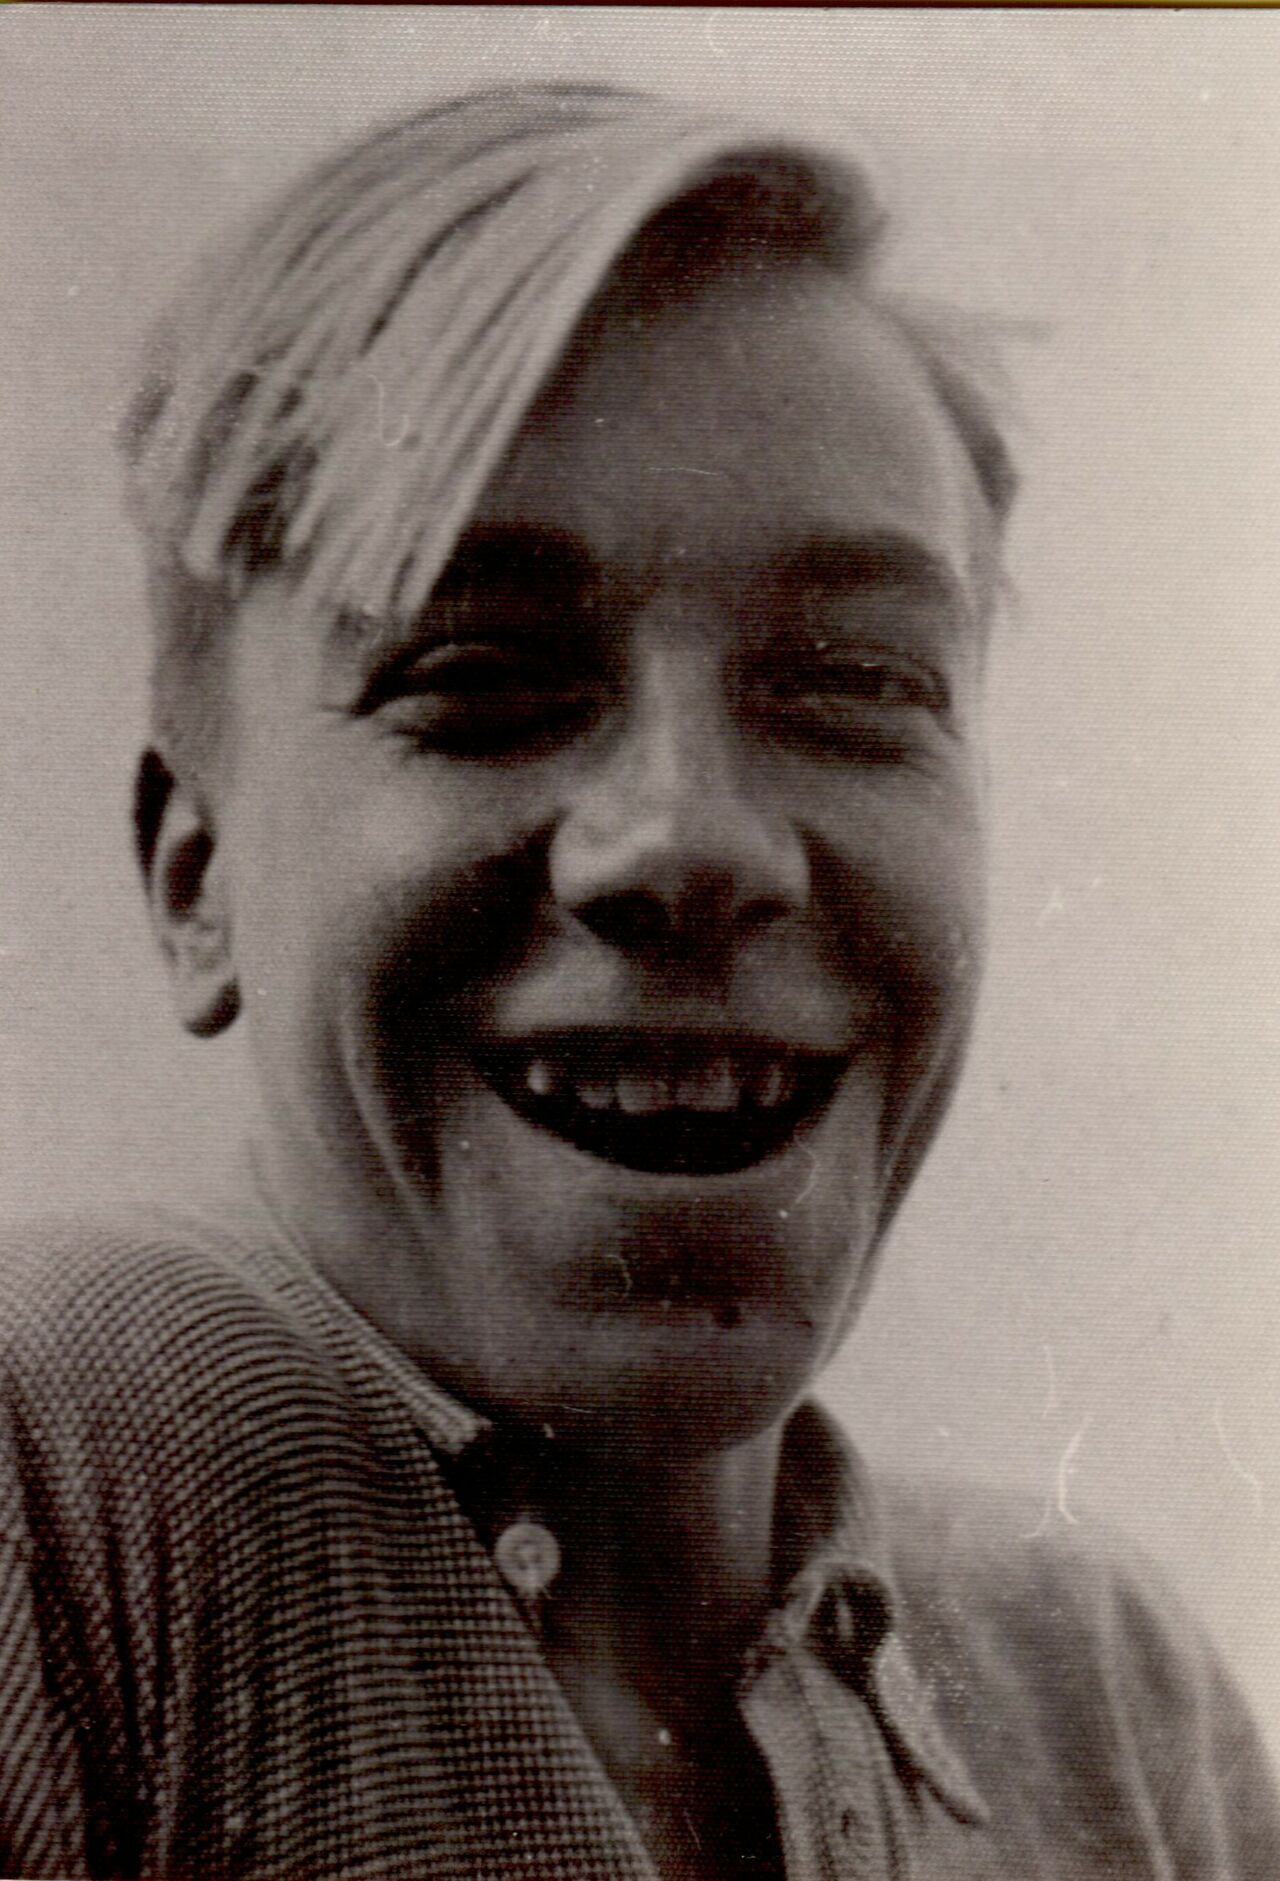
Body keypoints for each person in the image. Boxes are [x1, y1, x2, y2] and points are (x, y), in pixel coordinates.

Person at [0, 81, 1275, 1881]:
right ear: (193, 872)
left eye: (850, 682)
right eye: (483, 676)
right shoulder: (49, 1477)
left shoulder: (1110, 1705)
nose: (694, 843)